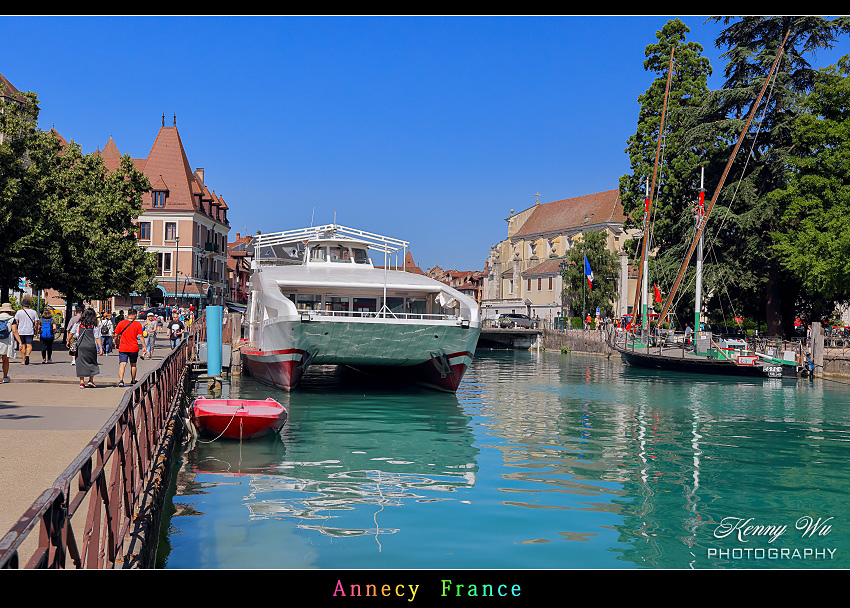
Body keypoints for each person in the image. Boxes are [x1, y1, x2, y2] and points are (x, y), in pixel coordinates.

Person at [70, 308, 103, 388]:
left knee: (80, 363)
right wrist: (100, 348)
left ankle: (82, 382)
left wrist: (68, 341)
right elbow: (97, 337)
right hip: (91, 346)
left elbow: (71, 333)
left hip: (81, 346)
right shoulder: (94, 325)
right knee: (92, 362)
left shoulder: (78, 323)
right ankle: (91, 380)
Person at [114, 308, 144, 387]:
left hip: (123, 347)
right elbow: (141, 336)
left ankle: (121, 380)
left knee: (122, 364)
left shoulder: (121, 323)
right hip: (133, 347)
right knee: (133, 365)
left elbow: (116, 334)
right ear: (134, 315)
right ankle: (133, 380)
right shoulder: (137, 324)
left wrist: (116, 342)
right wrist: (144, 346)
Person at [1, 302, 23, 383]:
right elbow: (14, 331)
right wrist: (20, 342)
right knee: (5, 359)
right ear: (9, 311)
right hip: (6, 341)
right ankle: (5, 377)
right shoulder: (11, 319)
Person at [13, 298, 39, 365]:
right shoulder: (34, 312)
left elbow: (16, 321)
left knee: (22, 345)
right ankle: (27, 355)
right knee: (29, 345)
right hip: (30, 331)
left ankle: (23, 360)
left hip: (21, 331)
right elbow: (36, 322)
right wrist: (36, 330)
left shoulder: (19, 312)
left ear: (22, 305)